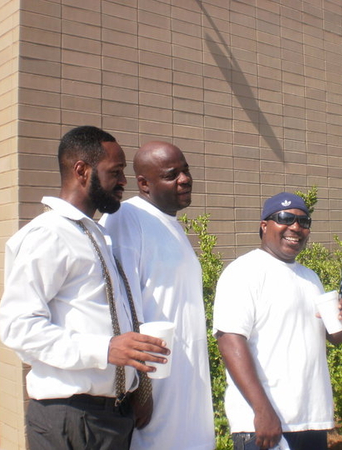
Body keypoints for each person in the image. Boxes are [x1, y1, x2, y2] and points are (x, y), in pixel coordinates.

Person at [0, 126, 169, 450]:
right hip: (71, 418)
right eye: (115, 172)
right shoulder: (49, 235)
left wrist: (136, 388)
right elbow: (17, 328)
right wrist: (105, 349)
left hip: (110, 417)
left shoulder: (95, 235)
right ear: (82, 171)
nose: (124, 181)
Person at [213, 192, 342, 450]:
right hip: (263, 424)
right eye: (285, 218)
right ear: (264, 226)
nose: (295, 227)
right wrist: (262, 411)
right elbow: (229, 341)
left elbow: (333, 337)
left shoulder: (310, 278)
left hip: (311, 420)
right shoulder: (243, 271)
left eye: (304, 222)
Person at [100, 141, 215, 450]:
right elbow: (120, 307)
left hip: (186, 385)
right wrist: (140, 389)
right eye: (171, 174)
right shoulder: (126, 218)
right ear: (144, 184)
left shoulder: (170, 224)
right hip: (155, 389)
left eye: (186, 171)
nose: (185, 179)